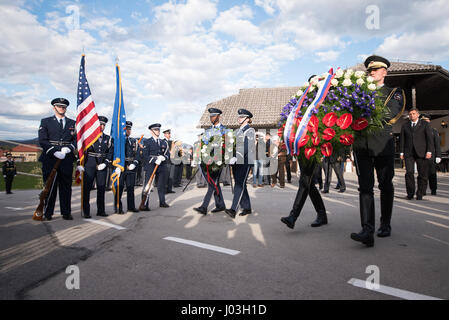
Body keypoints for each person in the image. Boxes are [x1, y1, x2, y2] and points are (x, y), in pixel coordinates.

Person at [351, 55, 406, 247]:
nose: (371, 72)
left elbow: (391, 113)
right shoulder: (358, 92)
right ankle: (367, 230)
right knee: (365, 188)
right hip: (361, 146)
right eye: (369, 70)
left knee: (385, 185)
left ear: (385, 72)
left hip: (382, 145)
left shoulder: (394, 92)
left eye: (375, 70)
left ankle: (385, 223)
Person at [38, 98, 77, 221]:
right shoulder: (46, 122)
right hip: (50, 158)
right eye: (59, 106)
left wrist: (69, 148)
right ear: (54, 107)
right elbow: (42, 140)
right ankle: (48, 213)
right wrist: (54, 151)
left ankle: (66, 212)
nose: (62, 108)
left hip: (66, 158)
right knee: (49, 186)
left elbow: (76, 139)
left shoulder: (73, 123)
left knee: (66, 187)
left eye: (64, 107)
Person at [77, 116, 113, 218]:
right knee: (87, 188)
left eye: (103, 125)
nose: (101, 126)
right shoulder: (89, 137)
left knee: (101, 188)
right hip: (90, 163)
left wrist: (105, 163)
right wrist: (80, 164)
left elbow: (110, 152)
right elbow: (82, 151)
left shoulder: (108, 138)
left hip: (102, 164)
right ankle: (86, 211)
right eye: (100, 124)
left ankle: (101, 210)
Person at [193, 108, 227, 215]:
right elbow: (203, 144)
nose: (211, 118)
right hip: (207, 161)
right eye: (210, 116)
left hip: (218, 161)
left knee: (212, 183)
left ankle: (204, 207)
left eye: (213, 116)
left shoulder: (224, 130)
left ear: (218, 117)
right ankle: (220, 205)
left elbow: (227, 145)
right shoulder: (207, 131)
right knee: (214, 183)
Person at [280, 158, 328, 229]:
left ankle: (293, 216)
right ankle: (322, 214)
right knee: (310, 185)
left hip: (311, 152)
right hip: (302, 153)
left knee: (305, 182)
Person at [225, 109, 255, 218]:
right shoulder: (237, 131)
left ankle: (233, 209)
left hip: (245, 161)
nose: (239, 118)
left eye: (242, 117)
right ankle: (247, 207)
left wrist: (236, 157)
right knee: (241, 184)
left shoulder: (250, 130)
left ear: (247, 119)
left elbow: (246, 147)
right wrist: (230, 156)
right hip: (236, 161)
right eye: (239, 116)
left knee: (239, 185)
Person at [399, 108, 434, 200]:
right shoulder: (405, 126)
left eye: (414, 114)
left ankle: (420, 193)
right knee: (409, 173)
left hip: (422, 152)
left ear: (418, 115)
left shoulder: (425, 124)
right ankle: (410, 193)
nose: (412, 115)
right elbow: (402, 140)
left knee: (422, 174)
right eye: (410, 114)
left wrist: (429, 151)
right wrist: (401, 152)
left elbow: (429, 139)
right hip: (409, 152)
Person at [138, 123, 170, 210]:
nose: (158, 131)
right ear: (151, 131)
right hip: (151, 165)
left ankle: (162, 202)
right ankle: (144, 204)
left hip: (161, 166)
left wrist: (163, 157)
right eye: (156, 130)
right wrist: (155, 160)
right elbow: (145, 155)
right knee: (147, 185)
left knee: (161, 185)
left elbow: (167, 154)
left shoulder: (164, 142)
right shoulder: (147, 142)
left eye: (158, 130)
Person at [115, 121, 140, 213]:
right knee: (120, 188)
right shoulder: (119, 141)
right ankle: (118, 207)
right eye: (127, 129)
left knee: (130, 188)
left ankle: (131, 207)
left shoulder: (134, 141)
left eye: (129, 129)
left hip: (131, 167)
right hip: (121, 166)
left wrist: (135, 163)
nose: (128, 131)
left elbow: (137, 154)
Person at [421, 115, 442, 195]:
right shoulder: (419, 131)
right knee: (423, 174)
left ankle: (433, 189)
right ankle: (423, 190)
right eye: (423, 121)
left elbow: (437, 144)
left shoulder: (433, 131)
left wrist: (438, 156)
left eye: (426, 120)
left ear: (429, 121)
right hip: (422, 155)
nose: (424, 122)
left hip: (431, 156)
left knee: (432, 174)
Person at [162, 129, 175, 194]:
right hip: (166, 161)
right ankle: (164, 189)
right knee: (166, 176)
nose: (169, 135)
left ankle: (169, 189)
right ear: (164, 134)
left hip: (172, 161)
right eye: (168, 134)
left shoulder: (171, 142)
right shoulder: (162, 141)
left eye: (169, 134)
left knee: (171, 176)